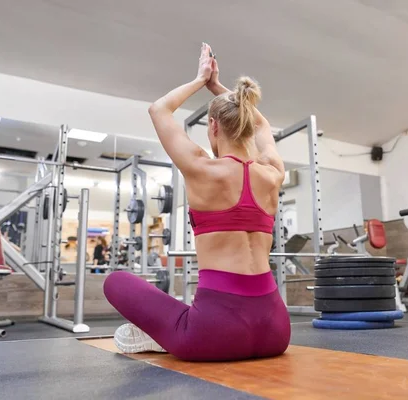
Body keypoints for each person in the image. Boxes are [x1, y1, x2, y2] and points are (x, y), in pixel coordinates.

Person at [103, 43, 290, 361]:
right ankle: (167, 331)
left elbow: (159, 109)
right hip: (276, 331)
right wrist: (220, 89)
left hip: (213, 334)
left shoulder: (202, 168)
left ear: (213, 127)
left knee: (116, 281)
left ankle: (164, 334)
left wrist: (201, 79)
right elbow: (263, 126)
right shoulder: (273, 172)